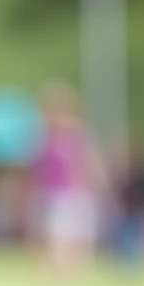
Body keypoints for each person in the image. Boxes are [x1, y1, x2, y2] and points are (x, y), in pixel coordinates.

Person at [31, 81, 103, 271]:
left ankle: (72, 278)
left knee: (77, 240)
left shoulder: (79, 134)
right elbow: (36, 170)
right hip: (53, 194)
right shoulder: (44, 135)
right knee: (54, 238)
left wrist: (93, 188)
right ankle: (56, 277)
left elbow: (90, 165)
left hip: (75, 194)